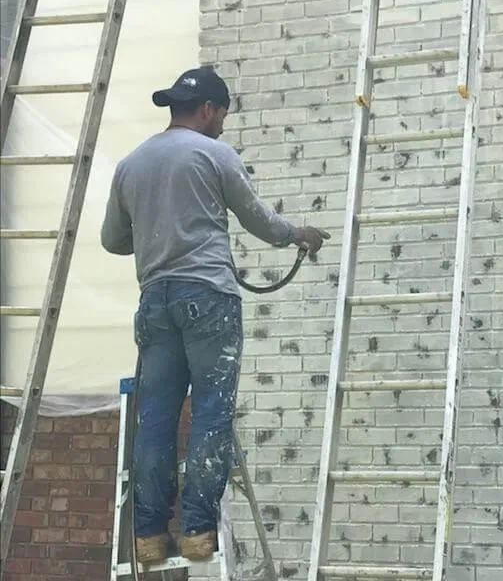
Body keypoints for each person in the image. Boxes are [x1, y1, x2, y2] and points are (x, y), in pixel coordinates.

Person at [100, 66, 330, 564]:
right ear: (208, 109)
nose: (224, 124)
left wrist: (156, 231)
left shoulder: (131, 163)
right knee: (210, 413)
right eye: (223, 114)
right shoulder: (214, 153)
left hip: (154, 302)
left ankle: (148, 537)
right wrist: (299, 233)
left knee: (156, 419)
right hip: (208, 299)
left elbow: (112, 240)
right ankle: (198, 531)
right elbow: (260, 222)